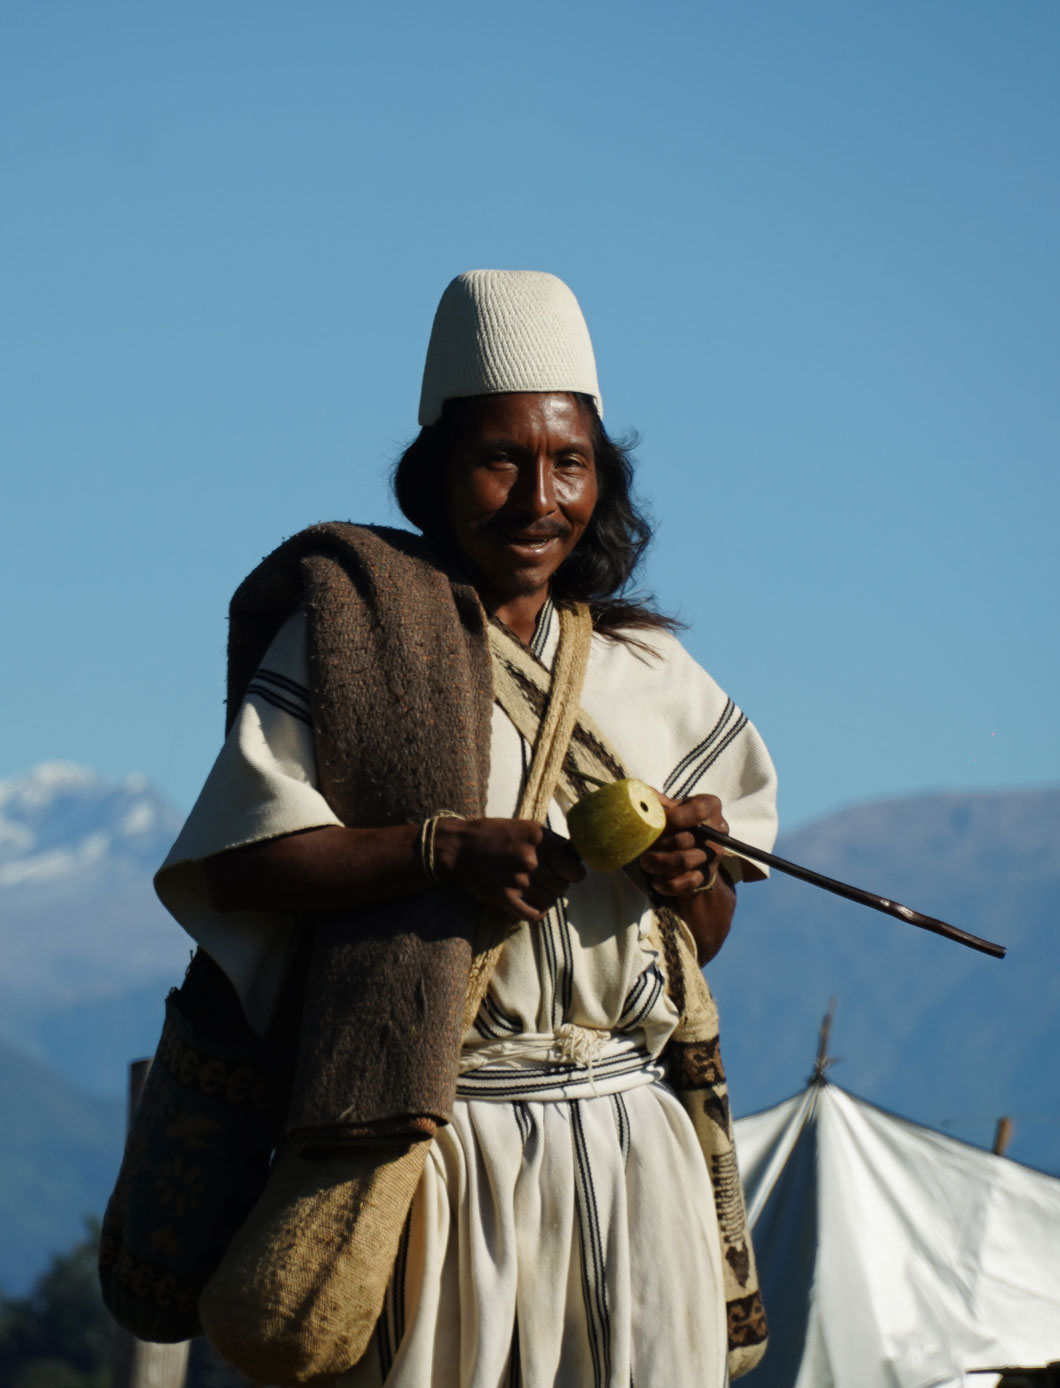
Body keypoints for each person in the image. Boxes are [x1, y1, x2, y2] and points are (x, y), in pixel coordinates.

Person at [154, 270, 777, 1387]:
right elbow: (243, 861)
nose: (538, 497)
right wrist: (440, 849)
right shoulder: (350, 643)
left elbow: (707, 937)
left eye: (569, 462)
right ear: (436, 475)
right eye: (501, 459)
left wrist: (691, 877)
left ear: (602, 478)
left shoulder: (652, 674)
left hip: (635, 1149)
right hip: (442, 1146)